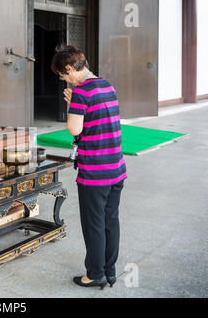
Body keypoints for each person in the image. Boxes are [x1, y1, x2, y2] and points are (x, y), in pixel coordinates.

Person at [51, 45, 127, 290]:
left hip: (95, 171)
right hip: (116, 166)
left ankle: (95, 274)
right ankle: (110, 271)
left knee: (94, 223)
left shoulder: (81, 92)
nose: (65, 80)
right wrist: (78, 103)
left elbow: (75, 129)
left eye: (64, 75)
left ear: (71, 68)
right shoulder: (107, 85)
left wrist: (74, 104)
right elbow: (100, 118)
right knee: (110, 220)